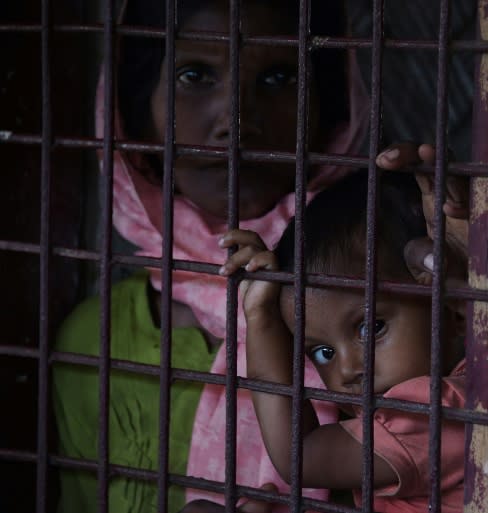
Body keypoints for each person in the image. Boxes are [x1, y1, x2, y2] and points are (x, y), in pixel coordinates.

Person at [52, 0, 369, 512]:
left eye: (280, 77)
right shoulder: (96, 338)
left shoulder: (384, 308)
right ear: (137, 111)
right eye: (193, 74)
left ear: (329, 109)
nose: (235, 122)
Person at [219, 171, 468, 513]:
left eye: (371, 328)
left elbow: (298, 457)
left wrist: (262, 320)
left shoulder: (435, 415)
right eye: (323, 353)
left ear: (453, 311)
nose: (348, 370)